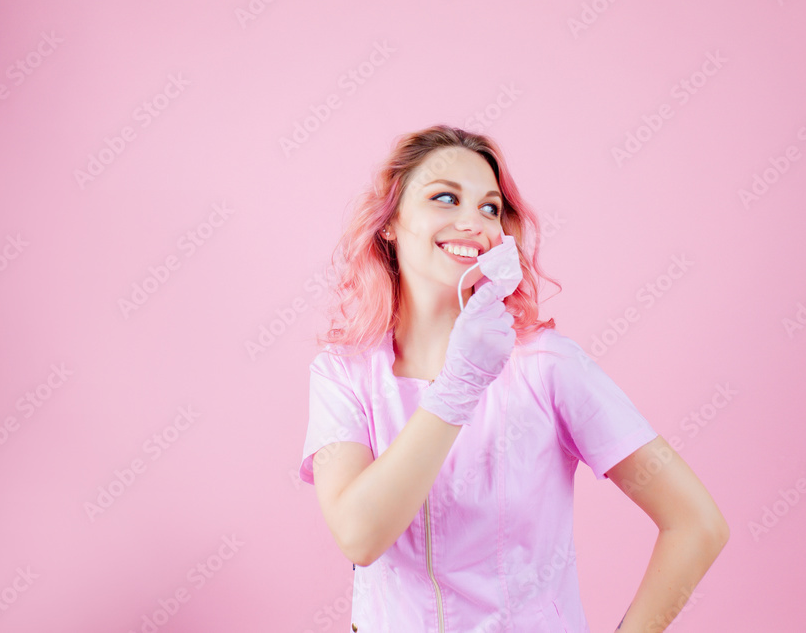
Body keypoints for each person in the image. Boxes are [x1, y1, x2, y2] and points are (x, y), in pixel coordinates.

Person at [298, 124, 729, 632]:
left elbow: (697, 525)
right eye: (444, 198)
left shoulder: (548, 366)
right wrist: (459, 383)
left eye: (490, 208)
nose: (473, 223)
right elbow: (359, 535)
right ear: (389, 223)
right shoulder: (343, 373)